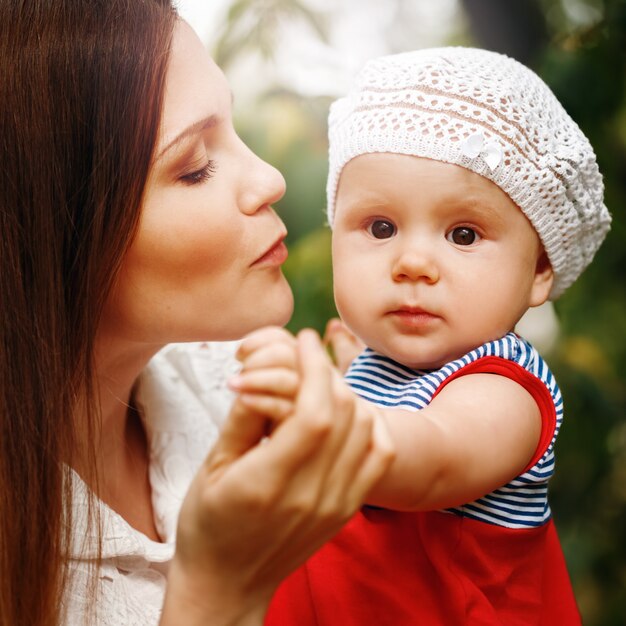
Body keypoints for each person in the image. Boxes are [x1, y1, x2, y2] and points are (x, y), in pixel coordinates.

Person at [0, 2, 395, 625]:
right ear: (49, 236)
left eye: (235, 132)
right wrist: (215, 595)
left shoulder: (238, 385)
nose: (269, 179)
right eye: (195, 168)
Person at [230, 47, 612, 624]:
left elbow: (431, 455)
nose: (412, 262)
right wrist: (350, 376)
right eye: (380, 227)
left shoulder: (507, 389)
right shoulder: (377, 370)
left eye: (463, 235)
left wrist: (322, 407)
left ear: (539, 271)